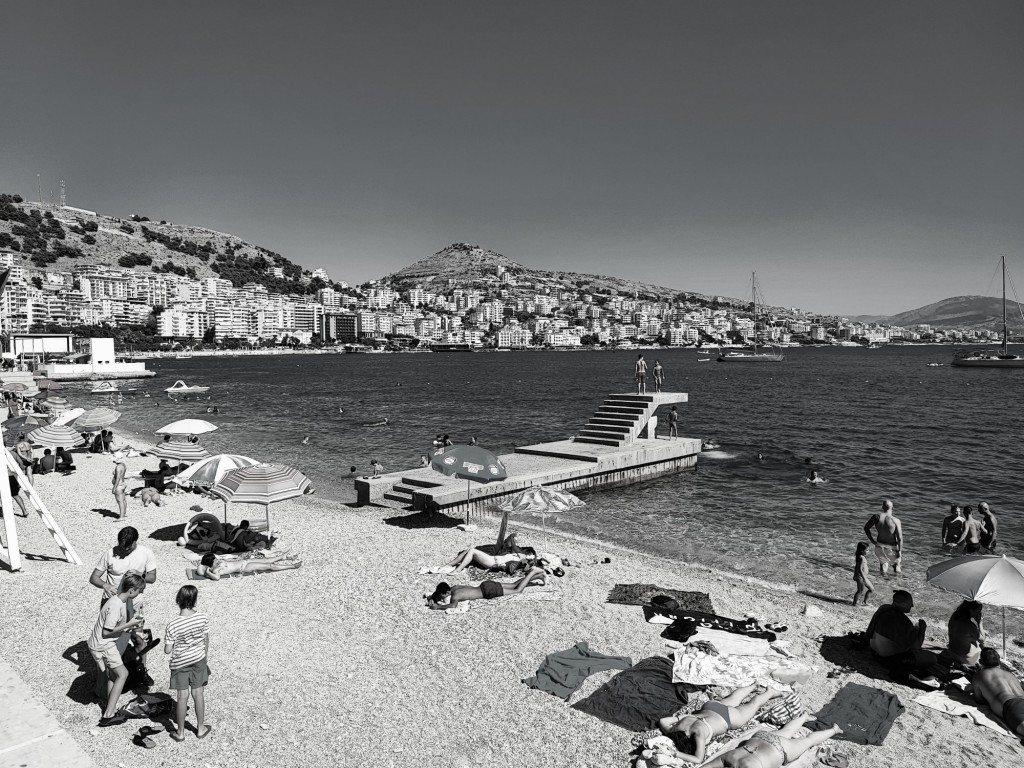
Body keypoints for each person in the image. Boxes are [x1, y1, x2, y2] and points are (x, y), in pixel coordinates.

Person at [89, 525, 159, 688]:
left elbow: (153, 578)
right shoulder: (110, 553)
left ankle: (141, 671)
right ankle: (105, 679)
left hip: (135, 605)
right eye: (122, 547)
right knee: (108, 642)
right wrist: (106, 585)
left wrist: (140, 574)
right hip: (112, 604)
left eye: (128, 547)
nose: (125, 550)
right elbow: (94, 578)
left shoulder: (146, 553)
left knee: (138, 639)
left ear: (136, 541)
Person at [658, 684, 785, 764]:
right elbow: (663, 721)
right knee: (734, 699)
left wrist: (675, 753)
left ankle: (770, 692)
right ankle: (753, 686)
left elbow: (698, 758)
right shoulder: (676, 728)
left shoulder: (698, 736)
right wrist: (685, 716)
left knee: (753, 705)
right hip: (710, 707)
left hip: (728, 718)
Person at [88, 572, 147, 727]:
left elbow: (114, 628)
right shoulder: (115, 606)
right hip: (104, 644)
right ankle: (108, 715)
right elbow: (107, 632)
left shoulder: (116, 600)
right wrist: (129, 624)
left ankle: (110, 707)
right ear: (132, 590)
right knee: (123, 674)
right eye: (139, 591)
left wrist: (131, 628)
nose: (139, 594)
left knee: (113, 676)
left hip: (100, 643)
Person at [701, 714, 842, 768]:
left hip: (780, 750)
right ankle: (804, 717)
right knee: (787, 731)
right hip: (761, 738)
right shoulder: (727, 758)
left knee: (808, 740)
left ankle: (834, 730)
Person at [164, 585, 212, 741]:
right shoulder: (202, 617)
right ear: (194, 600)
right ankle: (200, 728)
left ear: (178, 600)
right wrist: (203, 657)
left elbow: (167, 650)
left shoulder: (173, 624)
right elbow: (206, 639)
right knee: (198, 694)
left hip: (180, 663)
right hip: (198, 659)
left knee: (182, 696)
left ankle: (180, 732)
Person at [865, 589, 939, 685]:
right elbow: (916, 646)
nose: (912, 606)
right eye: (910, 603)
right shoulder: (902, 620)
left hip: (873, 651)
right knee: (932, 659)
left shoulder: (884, 608)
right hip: (887, 659)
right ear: (904, 603)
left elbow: (872, 632)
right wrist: (922, 630)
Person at [426, 567, 547, 610]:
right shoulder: (454, 587)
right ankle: (538, 576)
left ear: (447, 592)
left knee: (518, 590)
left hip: (487, 591)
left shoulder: (455, 596)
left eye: (443, 597)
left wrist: (438, 607)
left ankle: (533, 572)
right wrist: (433, 597)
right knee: (515, 584)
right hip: (485, 584)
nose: (443, 599)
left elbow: (452, 606)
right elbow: (439, 592)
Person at [972, 648, 1024, 741]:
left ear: (980, 662)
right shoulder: (1010, 674)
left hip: (1011, 707)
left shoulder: (979, 675)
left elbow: (979, 700)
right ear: (999, 661)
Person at [195, 550, 302, 580]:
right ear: (211, 562)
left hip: (244, 561)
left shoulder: (216, 562)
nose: (216, 559)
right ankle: (292, 566)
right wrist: (208, 573)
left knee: (266, 560)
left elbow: (202, 565)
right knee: (269, 566)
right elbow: (217, 578)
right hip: (244, 567)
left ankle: (282, 556)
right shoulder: (216, 570)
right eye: (214, 559)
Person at [863, 499, 903, 574]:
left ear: (882, 507)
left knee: (883, 566)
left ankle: (882, 583)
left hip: (879, 545)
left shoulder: (876, 517)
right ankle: (896, 584)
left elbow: (866, 528)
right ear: (892, 508)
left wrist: (872, 540)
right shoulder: (896, 520)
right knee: (896, 567)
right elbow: (900, 538)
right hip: (892, 547)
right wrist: (899, 551)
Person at [946, 600, 985, 669]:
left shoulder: (954, 616)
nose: (979, 614)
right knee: (985, 646)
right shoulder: (970, 625)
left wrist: (977, 631)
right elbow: (982, 640)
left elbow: (962, 631)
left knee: (972, 640)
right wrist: (980, 623)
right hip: (968, 660)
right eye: (978, 611)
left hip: (952, 653)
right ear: (970, 610)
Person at [441, 547, 537, 574]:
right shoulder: (516, 555)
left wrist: (531, 559)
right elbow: (515, 548)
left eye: (530, 555)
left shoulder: (522, 560)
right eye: (528, 553)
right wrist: (512, 537)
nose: (528, 555)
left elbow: (528, 567)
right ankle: (449, 564)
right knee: (468, 550)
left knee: (472, 550)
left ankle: (458, 570)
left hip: (492, 562)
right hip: (491, 559)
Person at [852, 541, 873, 606]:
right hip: (861, 577)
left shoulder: (859, 556)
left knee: (871, 589)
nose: (868, 551)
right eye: (867, 550)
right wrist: (864, 579)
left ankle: (865, 602)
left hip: (862, 576)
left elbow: (857, 567)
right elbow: (860, 569)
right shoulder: (861, 558)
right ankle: (854, 603)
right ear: (862, 550)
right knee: (860, 591)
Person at [111, 453, 128, 519]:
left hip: (119, 485)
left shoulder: (118, 467)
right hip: (123, 484)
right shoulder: (123, 465)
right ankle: (123, 513)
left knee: (120, 501)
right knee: (123, 500)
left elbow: (117, 478)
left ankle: (121, 517)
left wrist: (114, 488)